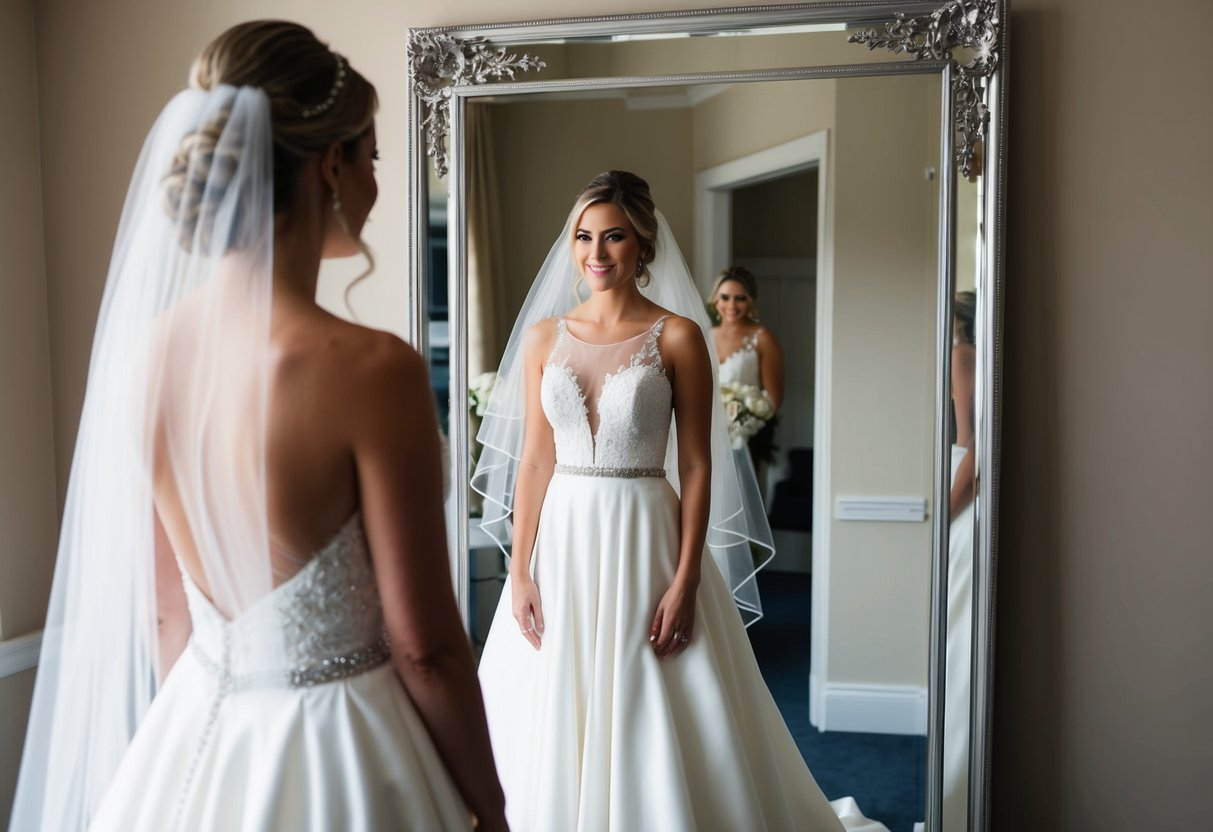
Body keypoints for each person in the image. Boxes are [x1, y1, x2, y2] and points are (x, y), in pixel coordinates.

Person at [10, 21, 505, 832]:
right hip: (345, 748)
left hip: (200, 727)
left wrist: (209, 736)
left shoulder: (142, 359)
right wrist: (491, 808)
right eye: (373, 156)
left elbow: (168, 617)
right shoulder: (374, 370)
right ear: (330, 164)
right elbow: (426, 648)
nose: (376, 182)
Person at [471, 171, 887, 831]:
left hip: (646, 535)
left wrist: (688, 577)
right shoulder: (544, 338)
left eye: (613, 236)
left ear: (643, 245)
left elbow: (695, 464)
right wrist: (519, 570)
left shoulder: (676, 336)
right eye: (583, 236)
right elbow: (535, 460)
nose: (596, 253)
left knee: (654, 695)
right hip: (563, 541)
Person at [943, 289, 978, 831]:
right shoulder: (969, 354)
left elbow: (973, 443)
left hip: (967, 488)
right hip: (963, 477)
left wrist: (948, 514)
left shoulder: (960, 355)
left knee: (959, 629)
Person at [708, 266, 784, 477]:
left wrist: (740, 424)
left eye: (740, 298)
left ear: (751, 300)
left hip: (745, 442)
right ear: (715, 300)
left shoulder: (763, 338)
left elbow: (773, 401)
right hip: (706, 437)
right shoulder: (705, 336)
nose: (731, 305)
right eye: (725, 297)